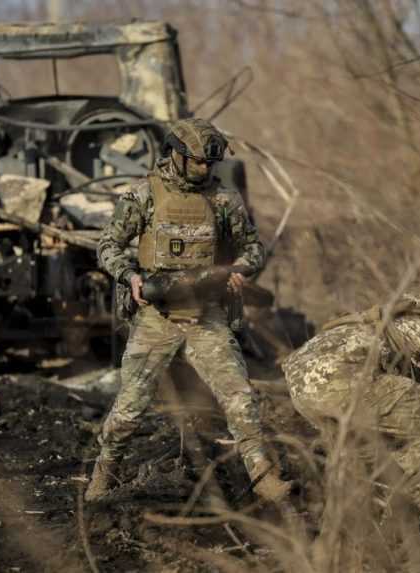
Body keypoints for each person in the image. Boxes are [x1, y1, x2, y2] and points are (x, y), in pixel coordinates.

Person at [85, 118, 290, 503]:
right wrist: (129, 276)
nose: (204, 169)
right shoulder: (144, 195)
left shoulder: (223, 199)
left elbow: (253, 248)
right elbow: (108, 245)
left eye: (209, 163)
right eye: (197, 161)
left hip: (206, 316)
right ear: (176, 155)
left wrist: (239, 271)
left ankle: (263, 477)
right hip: (156, 319)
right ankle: (104, 471)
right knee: (129, 410)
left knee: (240, 397)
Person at [281, 289, 420, 519]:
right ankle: (413, 506)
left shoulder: (396, 318)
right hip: (340, 378)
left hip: (300, 383)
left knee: (364, 450)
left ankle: (347, 520)